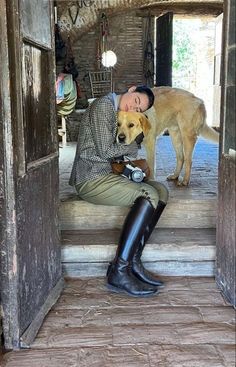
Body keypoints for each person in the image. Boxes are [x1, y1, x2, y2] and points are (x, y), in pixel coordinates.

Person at [69, 85, 169, 297]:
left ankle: (133, 260)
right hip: (91, 178)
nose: (134, 106)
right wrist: (134, 144)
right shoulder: (103, 106)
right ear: (131, 90)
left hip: (107, 174)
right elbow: (106, 151)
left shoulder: (116, 111)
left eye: (139, 109)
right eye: (136, 101)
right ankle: (119, 271)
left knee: (161, 190)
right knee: (148, 193)